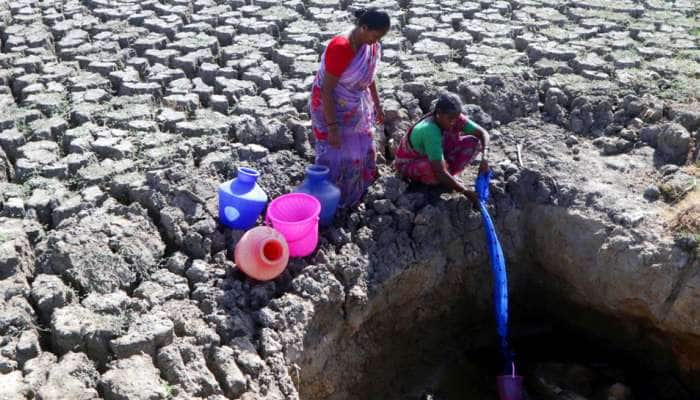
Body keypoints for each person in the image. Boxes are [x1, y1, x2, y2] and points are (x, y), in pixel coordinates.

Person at [309, 8, 390, 208]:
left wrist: (377, 105)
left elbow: (368, 77)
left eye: (381, 37)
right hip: (330, 107)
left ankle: (358, 188)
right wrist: (333, 128)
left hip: (354, 106)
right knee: (335, 151)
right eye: (376, 35)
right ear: (363, 27)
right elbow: (327, 91)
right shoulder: (341, 48)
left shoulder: (370, 46)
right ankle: (329, 196)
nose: (377, 40)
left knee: (360, 148)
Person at [393, 92, 490, 207]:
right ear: (438, 114)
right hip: (411, 164)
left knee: (474, 142)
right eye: (450, 119)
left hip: (438, 155)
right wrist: (466, 192)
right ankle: (438, 182)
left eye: (456, 118)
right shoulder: (430, 130)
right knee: (430, 169)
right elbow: (439, 171)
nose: (454, 122)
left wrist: (485, 157)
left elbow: (482, 133)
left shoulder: (454, 117)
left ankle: (449, 177)